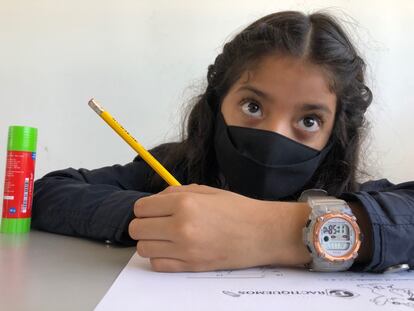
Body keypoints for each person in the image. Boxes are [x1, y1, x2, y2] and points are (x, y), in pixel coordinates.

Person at [32, 11, 414, 273]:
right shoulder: (172, 168)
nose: (275, 135)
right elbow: (46, 193)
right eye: (252, 105)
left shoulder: (344, 191)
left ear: (336, 136)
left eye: (309, 120)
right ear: (217, 104)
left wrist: (276, 232)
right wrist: (172, 218)